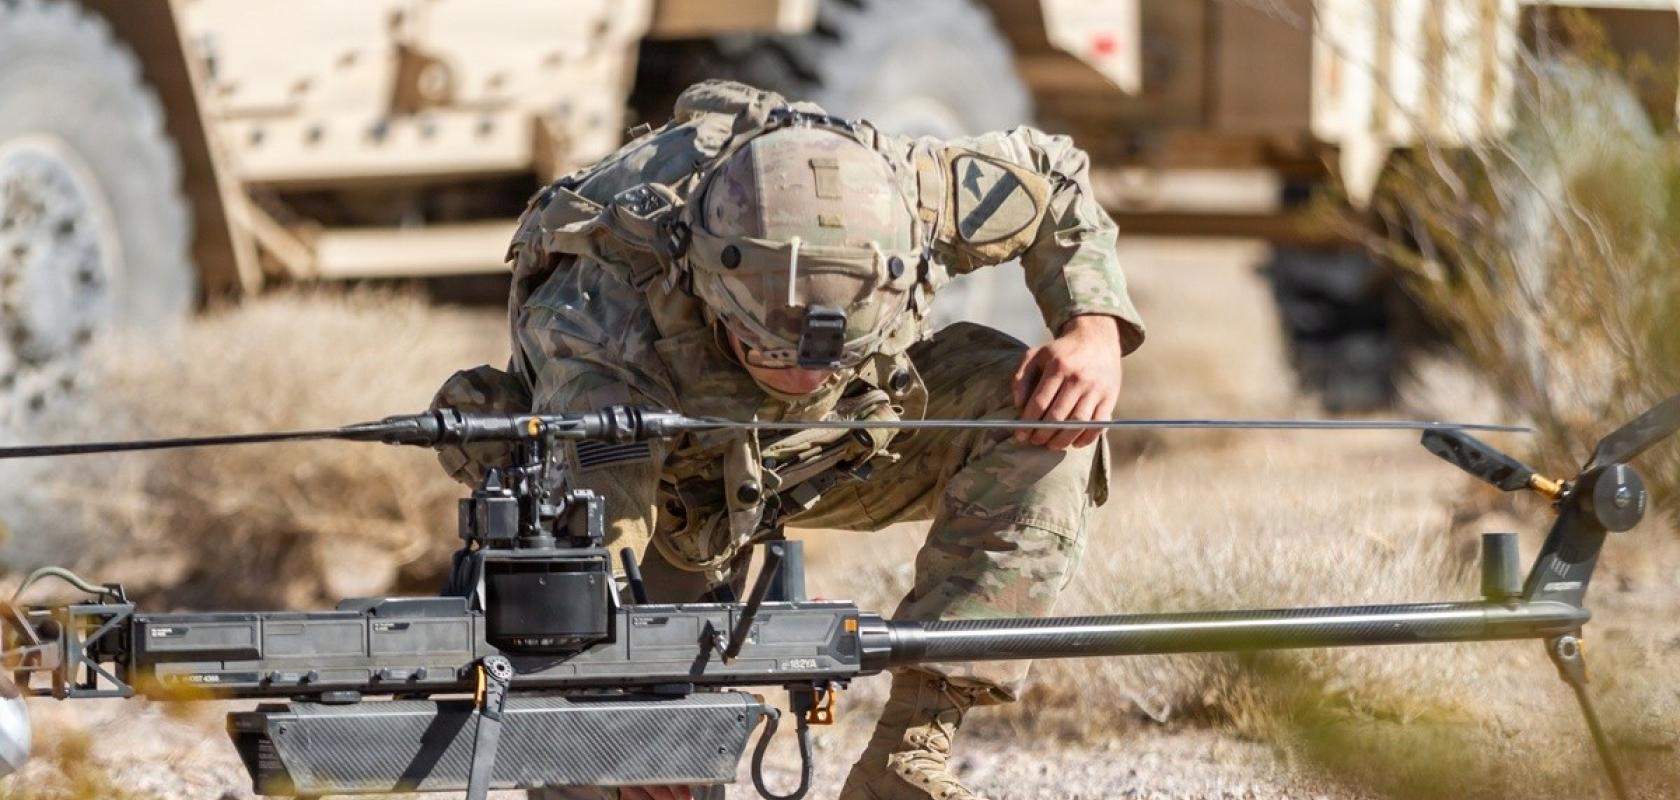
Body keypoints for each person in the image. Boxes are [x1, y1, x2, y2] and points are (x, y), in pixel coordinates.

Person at [433, 80, 1145, 800]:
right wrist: (627, 723)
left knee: (1053, 424)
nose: (804, 375)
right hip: (671, 490)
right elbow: (596, 564)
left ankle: (907, 758)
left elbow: (1055, 178)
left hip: (839, 441)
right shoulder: (602, 331)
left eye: (827, 358)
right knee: (625, 759)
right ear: (709, 283)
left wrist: (1093, 327)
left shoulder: (909, 200)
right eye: (773, 352)